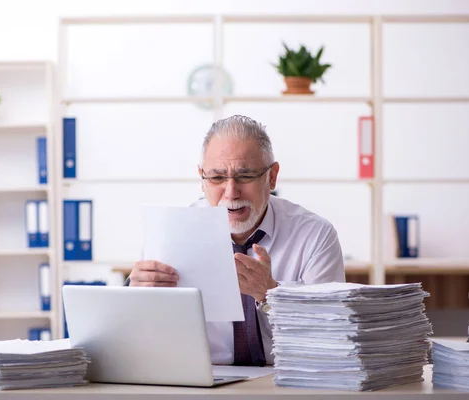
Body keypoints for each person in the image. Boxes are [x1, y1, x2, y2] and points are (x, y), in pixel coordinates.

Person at [127, 115, 345, 365]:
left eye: (245, 176)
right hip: (203, 380)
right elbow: (146, 342)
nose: (231, 192)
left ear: (272, 177)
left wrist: (271, 294)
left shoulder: (315, 236)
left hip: (288, 379)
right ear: (202, 178)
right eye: (217, 178)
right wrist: (137, 301)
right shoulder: (170, 233)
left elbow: (332, 335)